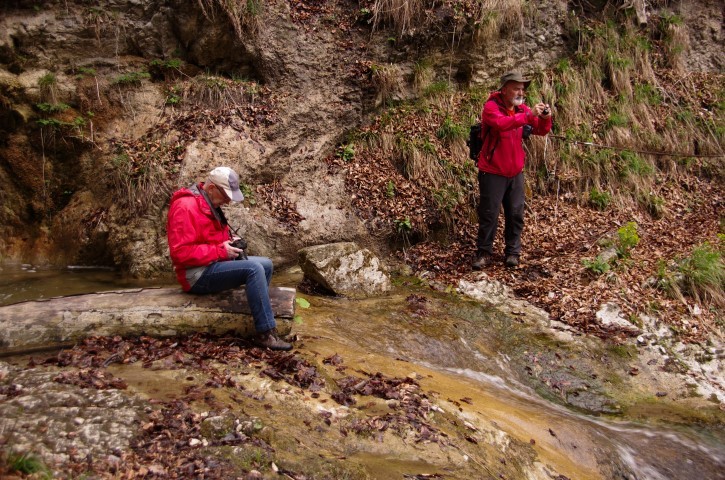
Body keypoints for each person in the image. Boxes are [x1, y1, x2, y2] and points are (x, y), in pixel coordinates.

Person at [166, 166, 292, 351]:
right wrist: (220, 251)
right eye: (225, 195)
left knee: (265, 264)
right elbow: (180, 253)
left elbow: (208, 239)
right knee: (253, 269)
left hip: (212, 264)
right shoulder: (185, 207)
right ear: (211, 188)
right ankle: (265, 333)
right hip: (195, 275)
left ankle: (256, 313)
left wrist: (229, 242)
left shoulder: (209, 204)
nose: (227, 200)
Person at [472, 71, 552, 269]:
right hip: (492, 171)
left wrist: (545, 117)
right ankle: (483, 253)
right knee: (489, 214)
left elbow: (541, 131)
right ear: (505, 89)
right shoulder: (491, 107)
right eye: (516, 88)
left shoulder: (521, 109)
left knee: (516, 213)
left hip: (515, 172)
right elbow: (501, 124)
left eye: (522, 89)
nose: (520, 92)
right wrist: (527, 115)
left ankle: (512, 253)